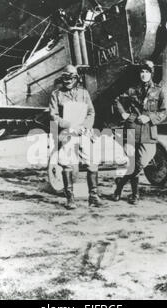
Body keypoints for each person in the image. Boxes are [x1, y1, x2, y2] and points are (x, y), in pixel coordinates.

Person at [112, 60, 167, 205]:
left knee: (141, 162)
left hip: (148, 131)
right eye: (142, 72)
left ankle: (120, 184)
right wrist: (123, 114)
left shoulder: (158, 91)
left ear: (151, 73)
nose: (144, 75)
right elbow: (117, 100)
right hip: (132, 128)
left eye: (147, 72)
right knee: (132, 162)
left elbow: (163, 112)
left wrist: (149, 117)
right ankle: (135, 195)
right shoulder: (131, 89)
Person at [49, 64, 102, 210]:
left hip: (83, 132)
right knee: (67, 164)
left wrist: (85, 126)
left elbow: (91, 113)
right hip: (67, 133)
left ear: (76, 79)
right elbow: (54, 116)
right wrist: (70, 126)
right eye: (65, 78)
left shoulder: (84, 93)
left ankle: (93, 195)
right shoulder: (56, 95)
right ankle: (70, 198)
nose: (68, 81)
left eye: (71, 78)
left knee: (92, 162)